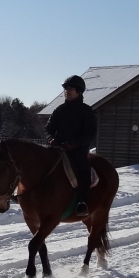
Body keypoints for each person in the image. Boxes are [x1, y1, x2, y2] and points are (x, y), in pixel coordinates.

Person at [45, 75, 98, 216]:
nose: (67, 91)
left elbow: (91, 134)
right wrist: (50, 139)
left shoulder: (86, 111)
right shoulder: (59, 110)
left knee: (82, 168)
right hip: (57, 148)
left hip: (77, 150)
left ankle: (82, 201)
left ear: (79, 92)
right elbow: (48, 129)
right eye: (66, 89)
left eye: (70, 89)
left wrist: (73, 144)